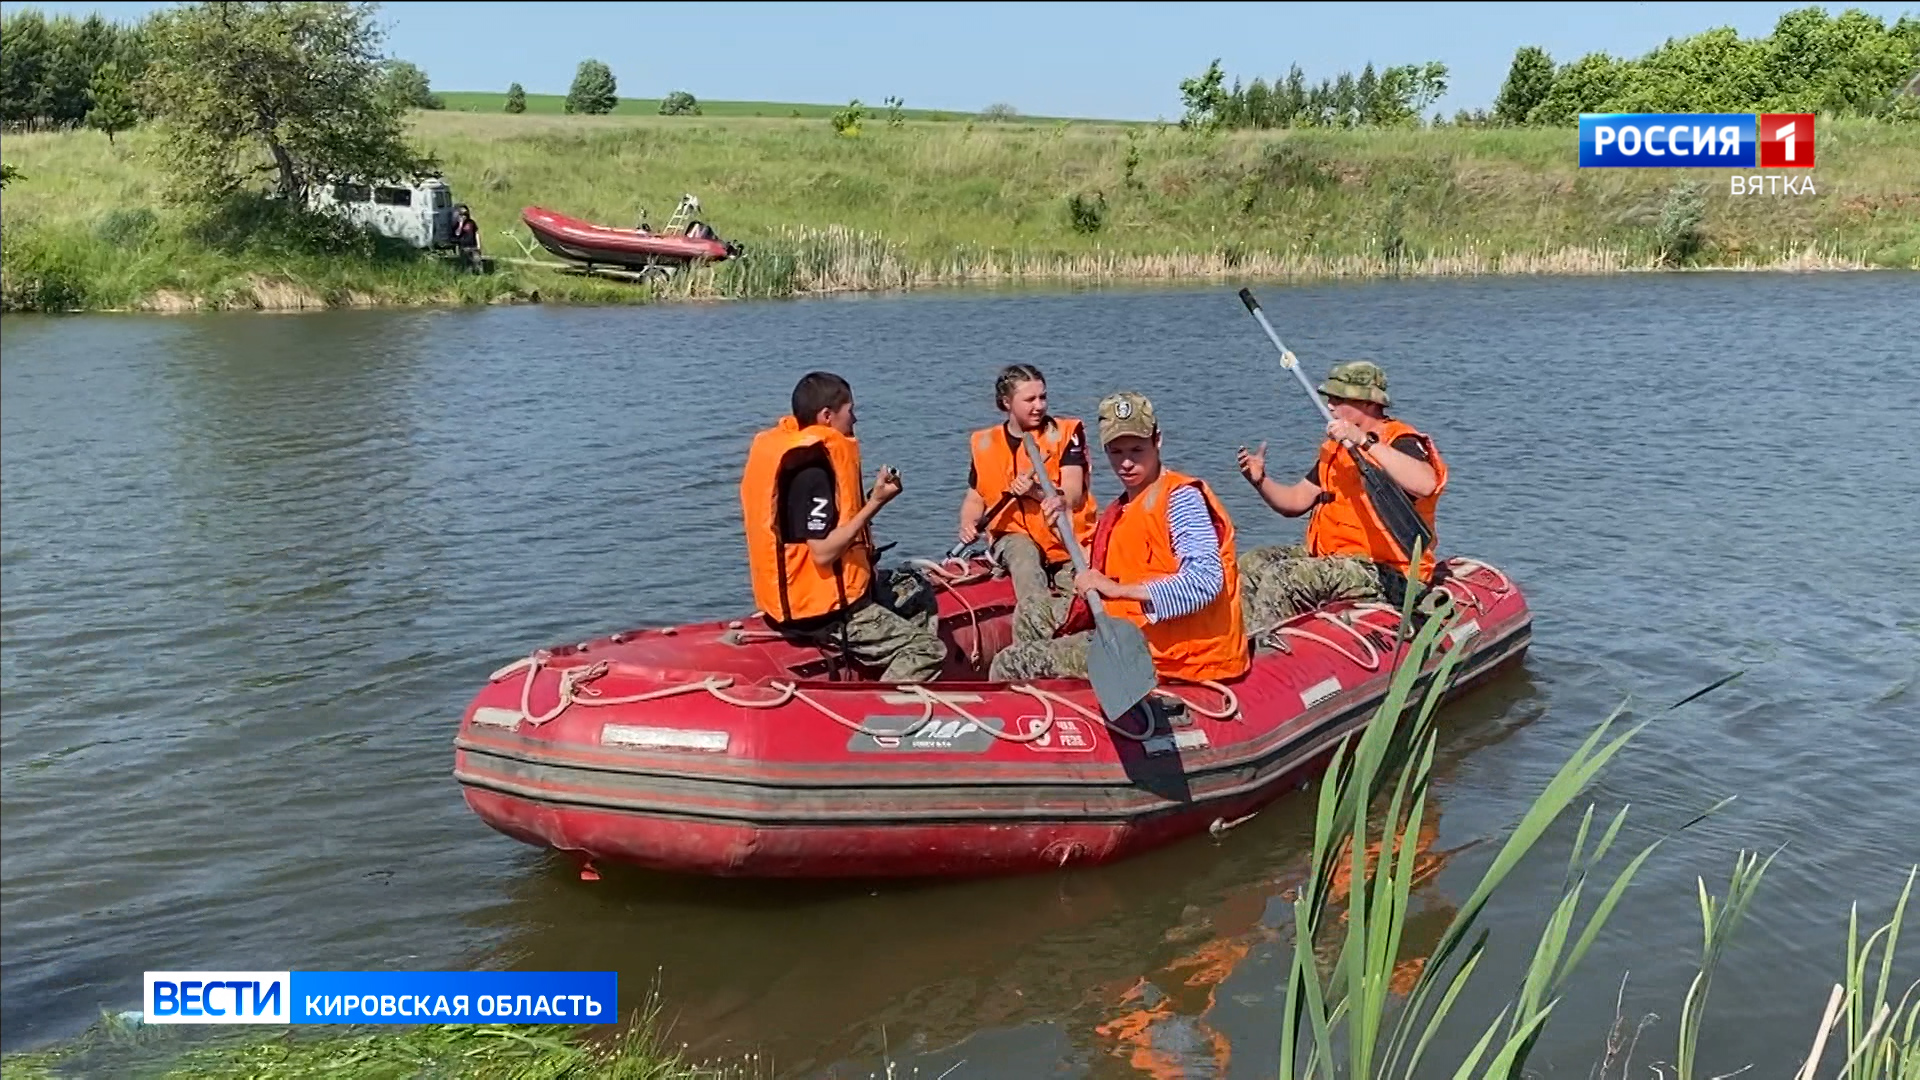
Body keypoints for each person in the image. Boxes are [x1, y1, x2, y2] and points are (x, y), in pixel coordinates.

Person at [988, 391, 1250, 686]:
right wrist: (1059, 526)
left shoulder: (1181, 500)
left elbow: (1203, 583)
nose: (1126, 463)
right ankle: (1060, 702)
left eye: (1136, 450)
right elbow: (1099, 567)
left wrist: (1118, 590)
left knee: (1009, 662)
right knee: (1033, 612)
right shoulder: (1121, 508)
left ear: (1157, 440)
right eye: (1116, 452)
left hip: (1180, 658)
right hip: (1134, 633)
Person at [740, 372, 949, 683]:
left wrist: (873, 499)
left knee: (914, 587)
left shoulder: (814, 458)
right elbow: (823, 552)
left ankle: (897, 670)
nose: (855, 418)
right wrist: (875, 503)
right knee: (928, 651)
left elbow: (831, 524)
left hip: (833, 595)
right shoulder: (812, 472)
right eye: (850, 410)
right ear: (827, 416)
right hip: (821, 613)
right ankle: (884, 702)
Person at [1234, 360, 1449, 630]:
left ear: (1368, 403)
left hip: (1391, 571)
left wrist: (1363, 441)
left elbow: (1425, 484)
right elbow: (1295, 501)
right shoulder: (1335, 448)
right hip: (1334, 560)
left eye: (1338, 399)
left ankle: (1273, 645)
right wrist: (1260, 481)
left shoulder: (1401, 441)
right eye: (1329, 398)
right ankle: (1247, 642)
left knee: (1283, 576)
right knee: (1253, 562)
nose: (1330, 406)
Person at [956, 364, 1096, 643]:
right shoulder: (984, 443)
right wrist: (968, 523)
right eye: (1030, 399)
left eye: (1043, 397)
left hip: (1064, 537)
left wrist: (1035, 492)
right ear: (1007, 402)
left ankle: (1080, 634)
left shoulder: (1066, 433)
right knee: (1024, 556)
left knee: (1081, 590)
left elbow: (1072, 494)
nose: (1039, 406)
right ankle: (1036, 636)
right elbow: (975, 496)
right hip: (1014, 535)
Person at [451, 204, 482, 274]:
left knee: (477, 262)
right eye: (461, 214)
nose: (463, 216)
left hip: (473, 246)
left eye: (465, 214)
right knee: (466, 265)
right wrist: (460, 224)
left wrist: (479, 245)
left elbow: (476, 233)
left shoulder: (471, 222)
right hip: (464, 248)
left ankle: (478, 274)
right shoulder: (456, 224)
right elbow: (457, 234)